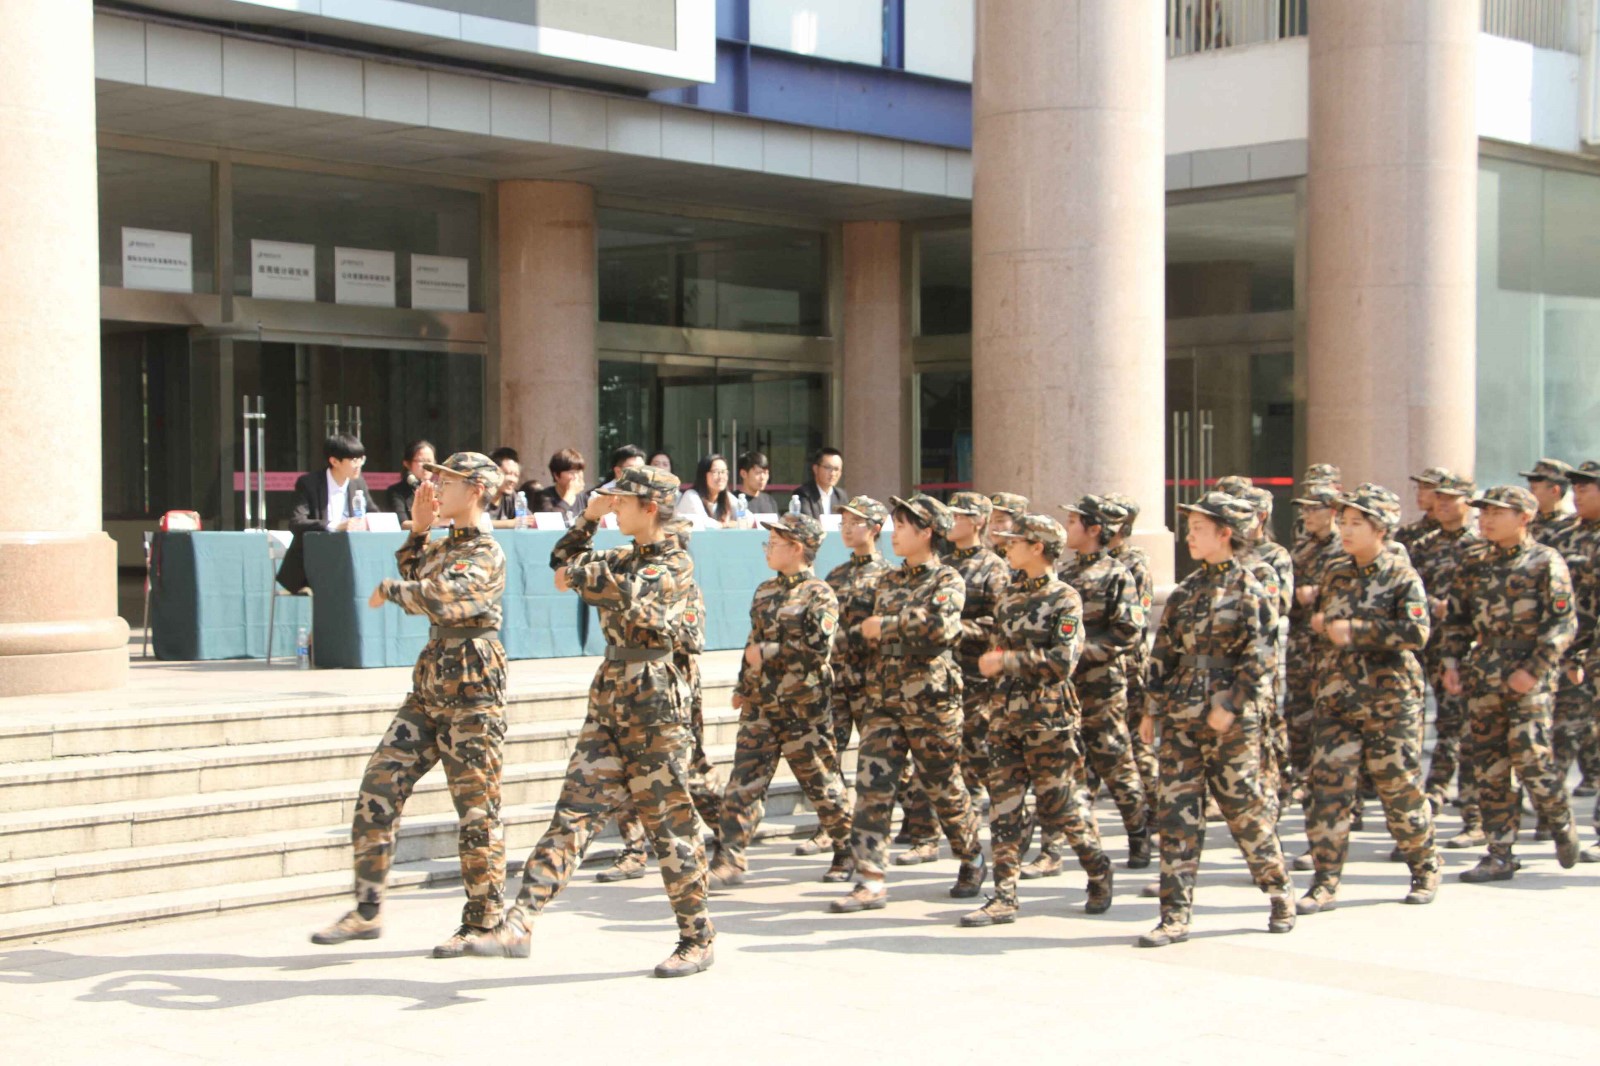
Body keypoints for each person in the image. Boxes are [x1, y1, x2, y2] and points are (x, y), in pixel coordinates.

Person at [475, 465, 714, 978]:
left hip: (656, 706)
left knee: (669, 827)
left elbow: (614, 588)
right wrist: (586, 519)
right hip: (610, 697)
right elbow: (561, 564)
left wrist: (582, 572)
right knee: (574, 813)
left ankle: (697, 937)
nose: (615, 507)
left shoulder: (674, 564)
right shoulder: (624, 555)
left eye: (623, 501)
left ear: (650, 508)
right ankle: (520, 921)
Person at [310, 452, 507, 956]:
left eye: (448, 481)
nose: (436, 486)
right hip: (431, 685)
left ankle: (484, 922)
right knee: (379, 786)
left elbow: (443, 595)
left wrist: (392, 590)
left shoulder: (485, 552)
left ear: (477, 490)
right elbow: (419, 567)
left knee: (477, 810)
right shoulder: (447, 544)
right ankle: (367, 910)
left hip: (473, 689)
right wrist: (419, 530)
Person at [1138, 490, 1295, 947]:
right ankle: (1174, 915)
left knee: (1244, 810)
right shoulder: (1186, 591)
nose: (1189, 537)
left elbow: (1261, 655)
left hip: (1230, 721)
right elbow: (1163, 652)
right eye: (1189, 529)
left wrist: (1233, 705)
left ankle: (1278, 890)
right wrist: (1151, 707)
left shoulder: (1251, 587)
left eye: (1198, 529)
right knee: (1176, 815)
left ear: (1225, 534)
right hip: (1182, 717)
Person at [829, 493, 986, 913]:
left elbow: (942, 629)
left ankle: (971, 856)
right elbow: (865, 633)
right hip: (883, 697)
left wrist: (888, 625)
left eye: (902, 526)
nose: (895, 534)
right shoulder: (888, 580)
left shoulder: (947, 580)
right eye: (894, 525)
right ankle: (870, 879)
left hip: (931, 701)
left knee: (942, 786)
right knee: (872, 787)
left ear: (927, 532)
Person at [962, 514, 1114, 926]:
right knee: (1004, 810)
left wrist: (1007, 661)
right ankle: (1004, 897)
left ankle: (1098, 869)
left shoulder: (1065, 598)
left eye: (1015, 541)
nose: (1007, 546)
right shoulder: (1008, 596)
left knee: (1062, 805)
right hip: (1005, 717)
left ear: (1037, 548)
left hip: (1049, 721)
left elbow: (1063, 661)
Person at [1298, 483, 1442, 914]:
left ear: (1380, 529)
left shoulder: (1401, 575)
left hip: (1390, 702)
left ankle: (1424, 866)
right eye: (1343, 522)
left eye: (1356, 523)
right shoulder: (1335, 571)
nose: (1345, 530)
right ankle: (1324, 881)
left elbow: (1417, 633)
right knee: (1327, 791)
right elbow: (1326, 625)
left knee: (1399, 789)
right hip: (1337, 699)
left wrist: (1358, 630)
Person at [1439, 485, 1583, 883]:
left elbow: (1562, 624)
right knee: (1490, 764)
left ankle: (1559, 818)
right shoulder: (1473, 561)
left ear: (1524, 517)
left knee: (1531, 756)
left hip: (1528, 676)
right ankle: (1499, 852)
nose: (1486, 520)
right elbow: (1457, 618)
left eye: (1496, 513)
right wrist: (1451, 662)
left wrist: (1534, 671)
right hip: (1485, 673)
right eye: (1483, 513)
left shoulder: (1545, 561)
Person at [710, 514, 854, 885]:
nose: (768, 550)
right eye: (768, 543)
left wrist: (770, 652)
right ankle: (730, 856)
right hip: (761, 703)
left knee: (822, 782)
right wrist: (742, 685)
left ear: (797, 548)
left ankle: (847, 849)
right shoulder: (764, 591)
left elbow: (817, 650)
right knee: (743, 782)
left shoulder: (820, 594)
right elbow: (752, 641)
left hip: (803, 707)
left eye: (774, 543)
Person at [599, 520, 724, 884]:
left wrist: (650, 621)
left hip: (673, 685)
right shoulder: (633, 580)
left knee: (689, 770)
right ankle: (633, 850)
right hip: (631, 682)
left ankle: (727, 833)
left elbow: (692, 638)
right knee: (623, 765)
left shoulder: (686, 587)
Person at [896, 491, 1011, 863]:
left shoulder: (993, 567)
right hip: (937, 675)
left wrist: (953, 629)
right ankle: (925, 838)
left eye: (962, 515)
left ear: (978, 522)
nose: (954, 520)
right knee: (931, 763)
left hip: (976, 679)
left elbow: (999, 624)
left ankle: (1010, 828)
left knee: (981, 761)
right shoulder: (939, 565)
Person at [1038, 495, 1148, 873]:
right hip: (1065, 687)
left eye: (1074, 522)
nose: (1067, 528)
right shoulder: (1064, 574)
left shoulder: (1118, 574)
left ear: (1095, 529)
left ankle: (1139, 834)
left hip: (1102, 687)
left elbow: (1128, 632)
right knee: (1058, 766)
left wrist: (1080, 652)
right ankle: (1051, 849)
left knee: (1116, 763)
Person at [793, 495, 892, 860]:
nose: (847, 529)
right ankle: (830, 827)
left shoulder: (888, 577)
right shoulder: (835, 575)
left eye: (855, 523)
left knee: (877, 758)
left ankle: (899, 825)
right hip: (836, 681)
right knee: (826, 755)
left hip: (870, 681)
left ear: (876, 529)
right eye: (844, 523)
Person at [1412, 472, 1483, 843]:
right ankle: (1434, 790)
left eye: (1448, 498)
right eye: (1437, 497)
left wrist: (1454, 608)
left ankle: (1451, 795)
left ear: (1467, 502)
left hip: (1463, 647)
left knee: (1460, 723)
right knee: (1435, 719)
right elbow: (1408, 588)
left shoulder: (1480, 546)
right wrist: (1430, 605)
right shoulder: (1423, 545)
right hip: (1426, 644)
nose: (1440, 503)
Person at [1104, 491, 1158, 833]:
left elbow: (1138, 619)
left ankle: (1156, 805)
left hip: (1130, 665)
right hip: (1102, 668)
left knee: (1138, 744)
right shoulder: (1095, 562)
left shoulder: (1134, 563)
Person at [1285, 483, 1345, 792]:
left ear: (1332, 512)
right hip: (1301, 644)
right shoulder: (1300, 550)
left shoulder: (1346, 548)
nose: (1306, 515)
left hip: (1333, 645)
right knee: (1298, 711)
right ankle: (1301, 774)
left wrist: (1319, 592)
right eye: (1304, 509)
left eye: (1313, 509)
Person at [1554, 461, 1600, 836]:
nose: (1577, 495)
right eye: (1576, 489)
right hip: (1571, 651)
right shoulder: (1564, 537)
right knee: (1562, 731)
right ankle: (1553, 817)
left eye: (1585, 489)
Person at [277, 433, 381, 593]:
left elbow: (373, 514)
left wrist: (368, 522)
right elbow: (297, 522)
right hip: (313, 562)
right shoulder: (309, 483)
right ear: (334, 461)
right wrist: (336, 526)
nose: (359, 465)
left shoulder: (358, 482)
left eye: (362, 459)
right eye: (354, 460)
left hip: (349, 556)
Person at [1521, 457, 1577, 547]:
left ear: (1554, 491)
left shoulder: (1570, 526)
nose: (1529, 494)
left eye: (1534, 489)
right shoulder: (1522, 522)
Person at [678, 453, 743, 526]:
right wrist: (724, 525)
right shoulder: (691, 496)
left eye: (724, 472)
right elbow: (703, 523)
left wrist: (739, 521)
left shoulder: (727, 497)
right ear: (703, 475)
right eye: (715, 472)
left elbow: (746, 517)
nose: (721, 477)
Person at [1396, 467, 1448, 554]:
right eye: (1419, 487)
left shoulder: (1450, 531)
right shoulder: (1408, 533)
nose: (1420, 493)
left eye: (1427, 487)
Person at [387, 439, 435, 529]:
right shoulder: (396, 491)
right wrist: (429, 524)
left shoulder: (439, 490)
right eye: (421, 461)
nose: (427, 465)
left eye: (430, 461)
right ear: (407, 464)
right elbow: (402, 523)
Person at [531, 448, 586, 524]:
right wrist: (569, 495)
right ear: (556, 475)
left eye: (579, 471)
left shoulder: (584, 499)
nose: (577, 477)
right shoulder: (543, 497)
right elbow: (548, 523)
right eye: (572, 472)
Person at [792, 447, 847, 518]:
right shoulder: (803, 494)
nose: (832, 473)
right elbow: (807, 521)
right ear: (815, 469)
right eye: (828, 468)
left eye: (836, 469)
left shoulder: (841, 496)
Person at [486, 448, 521, 528]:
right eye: (507, 473)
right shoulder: (479, 494)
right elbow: (473, 523)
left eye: (516, 475)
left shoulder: (512, 497)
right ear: (492, 472)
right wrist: (509, 523)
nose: (513, 480)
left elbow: (526, 520)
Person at [736, 450, 780, 515]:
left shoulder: (769, 501)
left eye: (765, 473)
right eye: (758, 473)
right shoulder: (733, 500)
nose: (762, 478)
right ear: (743, 474)